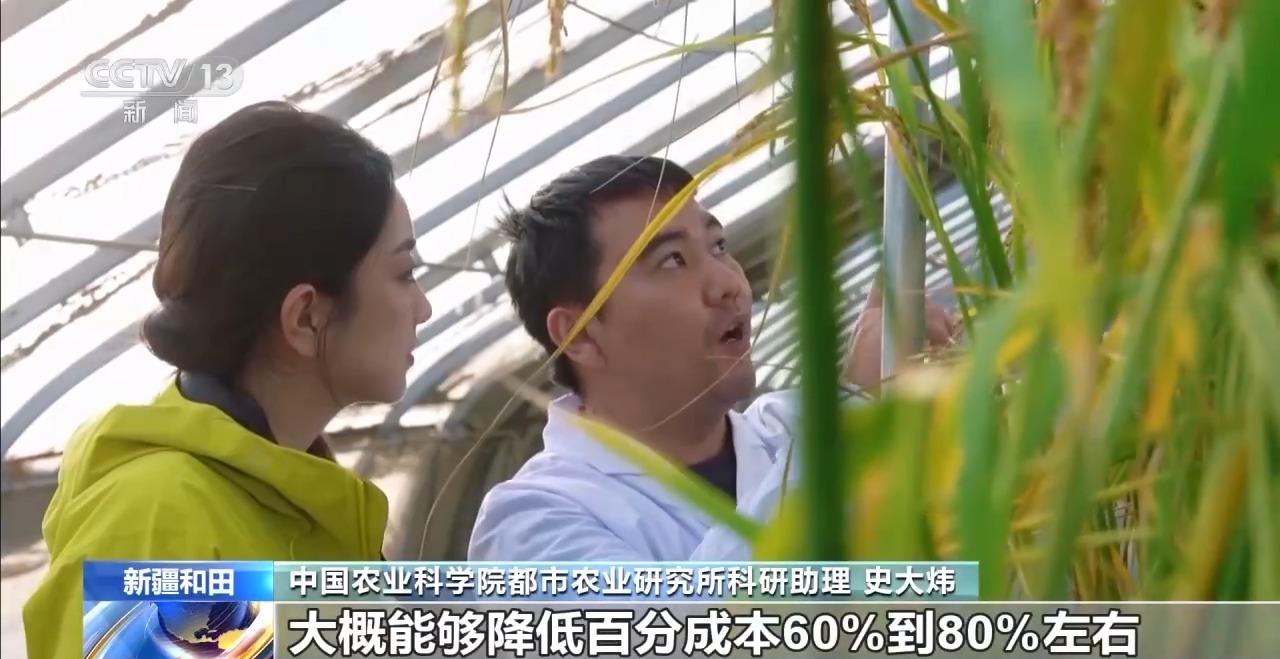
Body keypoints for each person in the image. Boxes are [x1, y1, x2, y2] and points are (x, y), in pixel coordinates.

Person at [23, 101, 432, 659]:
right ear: (305, 317)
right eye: (405, 273)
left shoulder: (302, 497)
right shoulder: (159, 520)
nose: (424, 307)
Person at [468, 155, 957, 562]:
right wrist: (850, 420)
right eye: (673, 261)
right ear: (580, 334)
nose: (729, 284)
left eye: (719, 246)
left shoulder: (790, 428)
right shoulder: (530, 523)